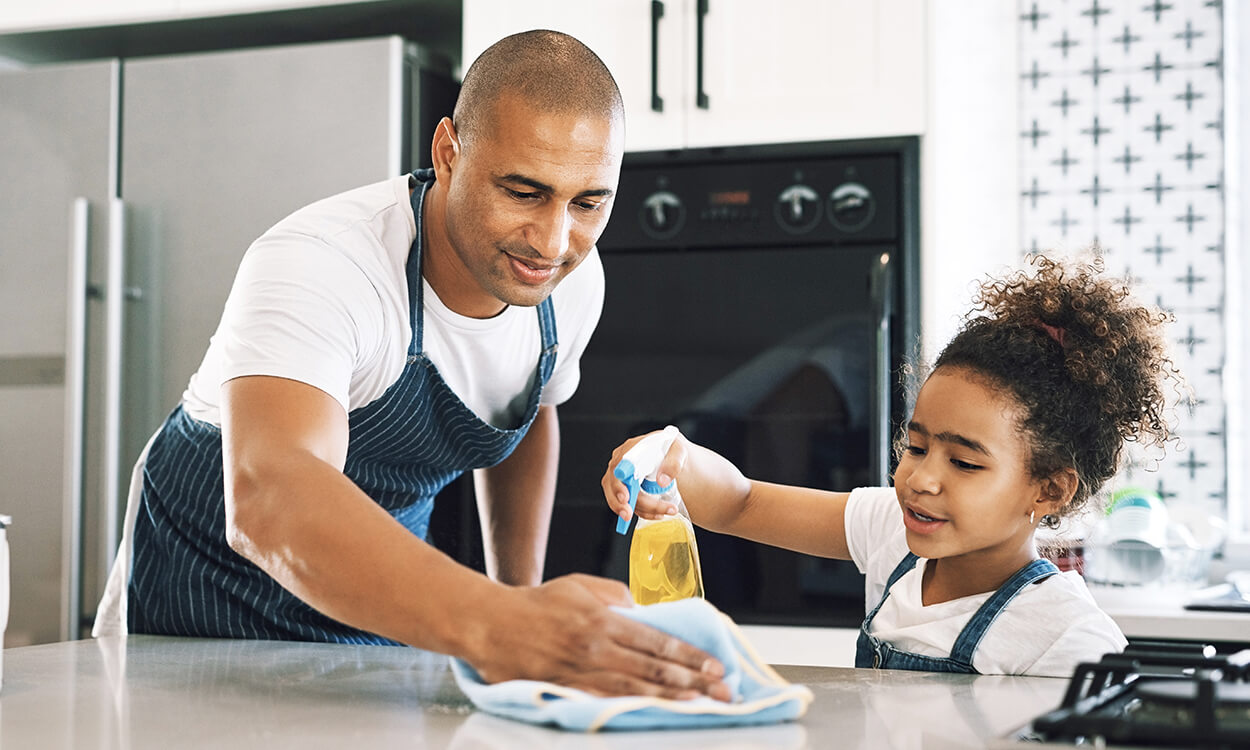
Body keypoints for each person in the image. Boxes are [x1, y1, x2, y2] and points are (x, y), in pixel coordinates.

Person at [93, 29, 732, 702]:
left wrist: (520, 602)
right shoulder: (322, 262)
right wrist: (499, 622)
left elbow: (529, 409)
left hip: (385, 615)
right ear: (448, 151)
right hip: (196, 631)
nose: (553, 240)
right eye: (523, 191)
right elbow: (270, 494)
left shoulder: (573, 281)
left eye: (589, 202)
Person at [603, 256, 1183, 677]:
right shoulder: (893, 532)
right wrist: (671, 454)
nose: (921, 478)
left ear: (1049, 489)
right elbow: (740, 502)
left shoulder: (1065, 636)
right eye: (917, 446)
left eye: (963, 462)